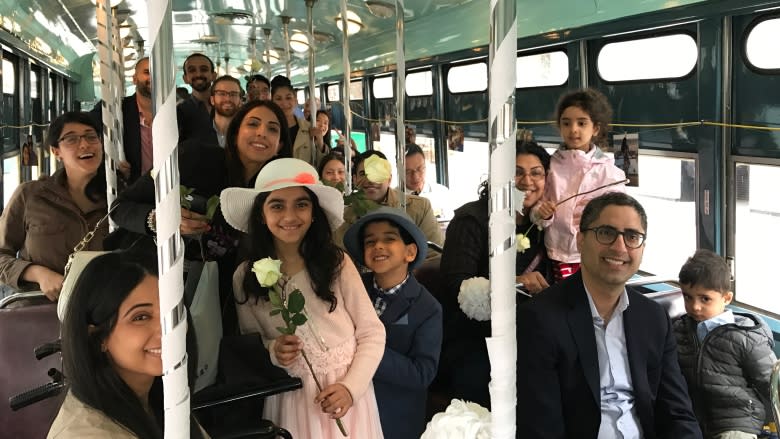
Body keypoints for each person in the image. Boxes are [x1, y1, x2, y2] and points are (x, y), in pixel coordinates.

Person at [516, 192, 702, 439]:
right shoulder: (540, 319)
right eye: (606, 233)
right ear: (581, 240)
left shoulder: (654, 319)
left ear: (642, 248)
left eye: (632, 236)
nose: (619, 247)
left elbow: (677, 412)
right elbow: (542, 427)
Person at [223, 158, 386, 438]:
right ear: (261, 214)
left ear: (314, 212)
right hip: (291, 399)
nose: (290, 216)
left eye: (301, 204)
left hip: (345, 395)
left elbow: (372, 332)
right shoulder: (245, 277)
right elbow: (252, 342)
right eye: (277, 205)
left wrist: (351, 387)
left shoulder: (336, 264)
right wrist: (273, 349)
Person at [110, 100, 291, 334]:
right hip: (156, 282)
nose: (261, 133)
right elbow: (120, 208)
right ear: (235, 133)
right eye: (253, 124)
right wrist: (160, 220)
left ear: (279, 145)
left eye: (272, 129)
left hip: (216, 304)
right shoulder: (193, 158)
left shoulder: (273, 193)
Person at [49, 247, 207, 438]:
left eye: (173, 312)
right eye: (141, 317)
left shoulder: (158, 399)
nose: (168, 331)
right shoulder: (89, 434)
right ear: (98, 337)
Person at [438, 140, 552, 408]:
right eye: (517, 172)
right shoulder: (472, 220)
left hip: (525, 338)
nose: (527, 181)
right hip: (475, 341)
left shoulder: (541, 227)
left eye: (536, 173)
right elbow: (454, 285)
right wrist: (516, 282)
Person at [343, 207, 442, 439]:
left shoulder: (427, 308)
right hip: (352, 409)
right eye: (370, 241)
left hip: (393, 417)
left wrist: (368, 350)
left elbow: (422, 373)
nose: (378, 246)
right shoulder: (352, 288)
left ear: (410, 252)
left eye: (389, 239)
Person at [0, 112, 108, 301]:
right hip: (41, 308)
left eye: (91, 137)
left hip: (105, 309)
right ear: (56, 151)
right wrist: (38, 273)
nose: (84, 144)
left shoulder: (119, 198)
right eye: (71, 139)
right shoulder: (30, 196)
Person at [673, 250, 776, 439]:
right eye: (688, 297)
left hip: (738, 420)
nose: (695, 306)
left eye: (705, 299)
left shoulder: (744, 337)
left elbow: (770, 383)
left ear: (727, 298)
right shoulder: (679, 330)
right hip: (694, 419)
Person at [533, 88, 627, 282]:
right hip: (556, 251)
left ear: (596, 129)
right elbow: (536, 205)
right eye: (566, 123)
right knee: (564, 300)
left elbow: (618, 217)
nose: (573, 129)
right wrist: (543, 213)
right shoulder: (550, 165)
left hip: (594, 253)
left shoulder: (609, 172)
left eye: (582, 123)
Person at [334, 150, 443, 253]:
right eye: (363, 174)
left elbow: (434, 256)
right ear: (355, 179)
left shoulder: (420, 208)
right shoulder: (343, 217)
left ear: (389, 179)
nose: (371, 180)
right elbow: (339, 257)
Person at [90, 56, 152, 183]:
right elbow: (84, 129)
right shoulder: (115, 110)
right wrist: (111, 163)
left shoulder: (176, 112)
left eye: (158, 73)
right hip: (131, 188)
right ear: (134, 79)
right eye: (147, 72)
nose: (153, 77)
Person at [271, 75, 328, 166]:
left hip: (302, 179)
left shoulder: (309, 128)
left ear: (296, 101)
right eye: (278, 99)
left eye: (288, 98)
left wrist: (321, 143)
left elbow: (322, 165)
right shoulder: (267, 130)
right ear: (272, 102)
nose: (284, 103)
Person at [404, 143, 454, 221]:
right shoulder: (394, 198)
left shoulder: (442, 192)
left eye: (419, 169)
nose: (415, 177)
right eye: (408, 171)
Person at [177, 53, 217, 144]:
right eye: (192, 70)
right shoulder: (180, 111)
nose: (198, 74)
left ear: (213, 76)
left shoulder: (225, 105)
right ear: (185, 78)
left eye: (204, 69)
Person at [210, 75, 243, 148]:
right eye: (222, 93)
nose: (228, 99)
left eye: (233, 94)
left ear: (240, 101)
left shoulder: (246, 132)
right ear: (212, 100)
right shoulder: (198, 131)